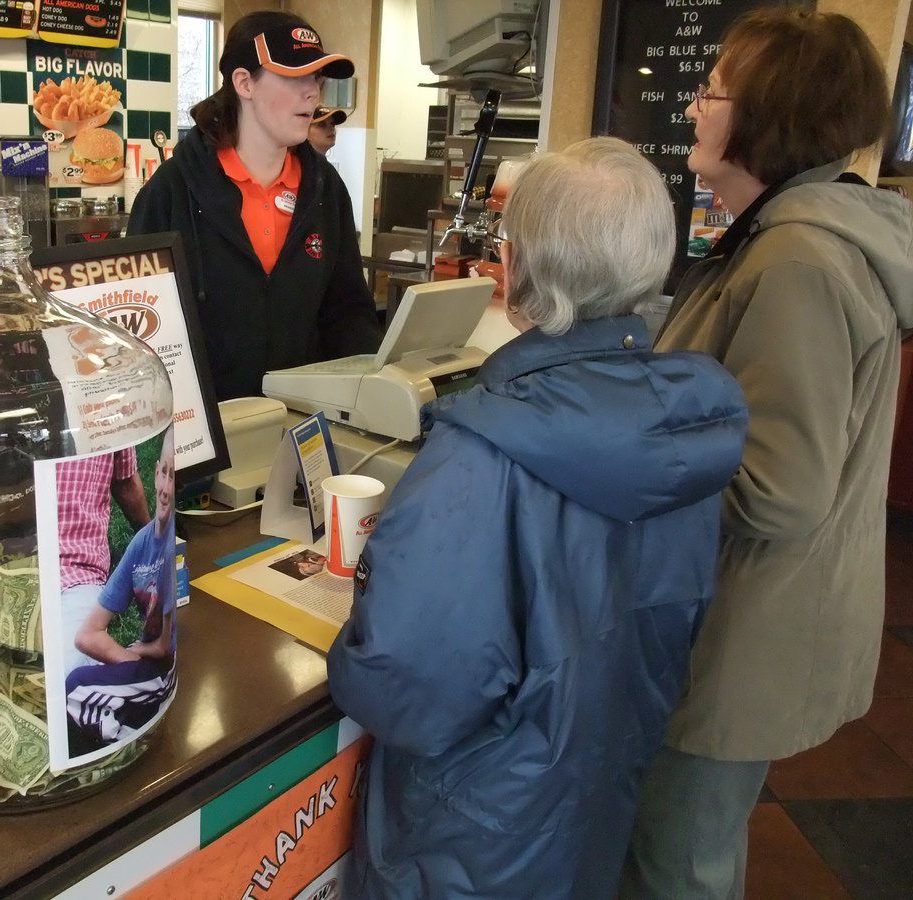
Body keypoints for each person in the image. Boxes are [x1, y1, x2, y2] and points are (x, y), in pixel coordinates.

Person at [326, 137, 749, 899]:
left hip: (471, 837)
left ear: (517, 267)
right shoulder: (689, 429)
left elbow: (407, 691)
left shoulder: (479, 454)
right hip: (596, 794)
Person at [620, 10, 913, 899]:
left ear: (768, 118)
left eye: (712, 91)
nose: (694, 110)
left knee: (679, 865)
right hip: (737, 622)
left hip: (744, 637)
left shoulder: (799, 258)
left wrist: (623, 457)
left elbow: (779, 491)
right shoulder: (787, 234)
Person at [127, 11, 382, 401]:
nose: (312, 92)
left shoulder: (325, 189)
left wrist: (371, 395)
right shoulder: (171, 192)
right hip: (212, 433)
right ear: (244, 83)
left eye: (316, 78)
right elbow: (141, 331)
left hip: (303, 422)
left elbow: (347, 311)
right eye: (295, 76)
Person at [66, 430, 177, 750]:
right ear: (156, 473)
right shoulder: (143, 542)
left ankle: (130, 738)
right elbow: (86, 635)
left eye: (175, 478)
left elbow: (164, 648)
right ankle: (133, 713)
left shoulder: (170, 549)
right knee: (79, 682)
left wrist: (137, 652)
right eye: (165, 473)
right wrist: (130, 658)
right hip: (144, 662)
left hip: (161, 671)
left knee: (75, 690)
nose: (167, 487)